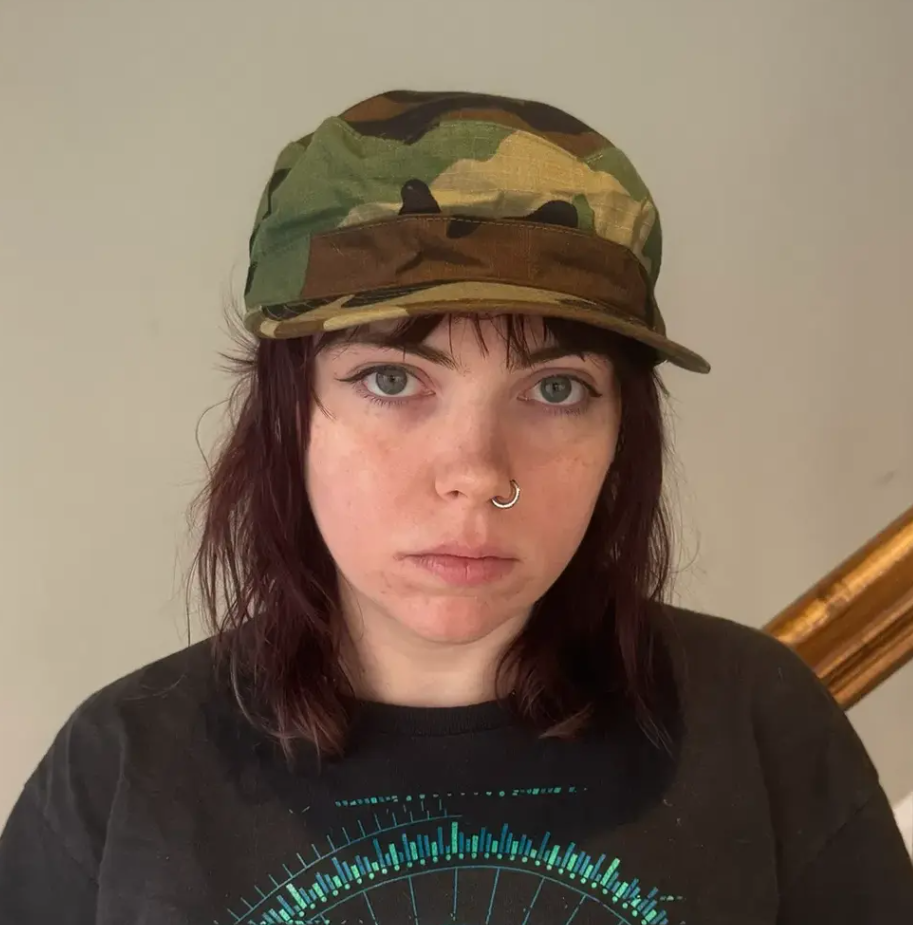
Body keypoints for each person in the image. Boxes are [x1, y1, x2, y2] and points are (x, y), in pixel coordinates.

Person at [1, 89, 911, 924]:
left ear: (621, 433)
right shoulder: (123, 766)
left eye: (555, 388)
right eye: (392, 378)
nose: (476, 472)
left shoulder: (756, 723)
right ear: (284, 417)